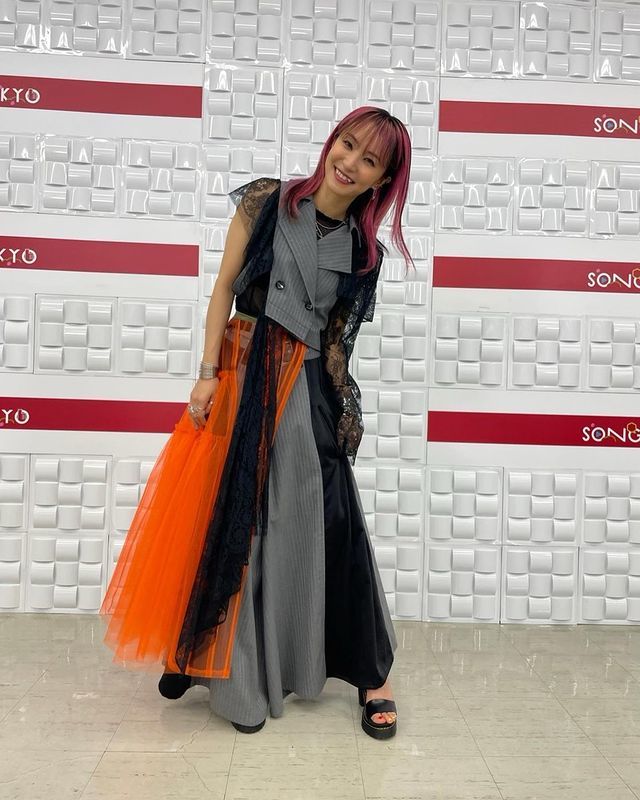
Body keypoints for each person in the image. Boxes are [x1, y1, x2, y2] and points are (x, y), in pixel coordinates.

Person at [100, 106, 413, 741]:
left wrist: (338, 412)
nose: (349, 163)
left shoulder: (364, 254)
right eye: (347, 144)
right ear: (332, 141)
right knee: (218, 514)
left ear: (382, 180)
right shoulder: (267, 202)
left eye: (370, 160)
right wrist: (206, 373)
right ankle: (199, 654)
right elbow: (223, 290)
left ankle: (370, 674)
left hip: (304, 387)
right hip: (241, 373)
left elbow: (337, 342)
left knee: (325, 521)